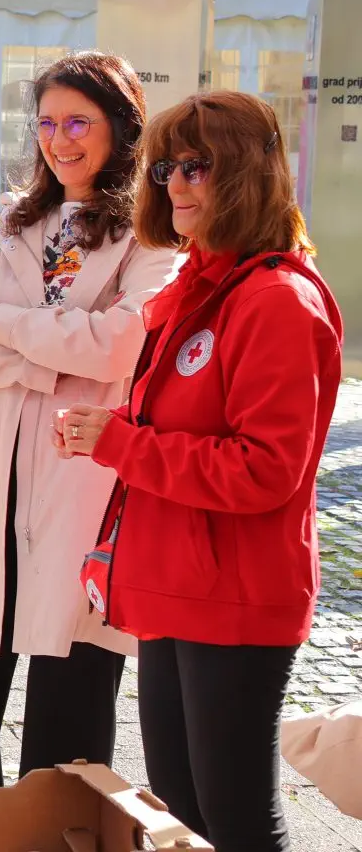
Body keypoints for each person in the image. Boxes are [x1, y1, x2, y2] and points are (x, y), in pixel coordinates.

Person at [58, 91, 343, 852]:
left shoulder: (277, 301)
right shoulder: (198, 285)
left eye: (197, 166)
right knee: (183, 816)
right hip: (174, 585)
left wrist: (120, 444)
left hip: (236, 594)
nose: (176, 184)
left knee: (237, 820)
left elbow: (265, 470)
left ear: (246, 174)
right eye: (165, 168)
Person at [0, 51, 179, 789]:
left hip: (79, 477)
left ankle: (55, 833)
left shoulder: (152, 237)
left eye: (79, 123)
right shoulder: (12, 219)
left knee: (69, 704)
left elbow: (122, 343)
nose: (60, 140)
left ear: (122, 129)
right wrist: (50, 360)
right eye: (47, 123)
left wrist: (1, 319)